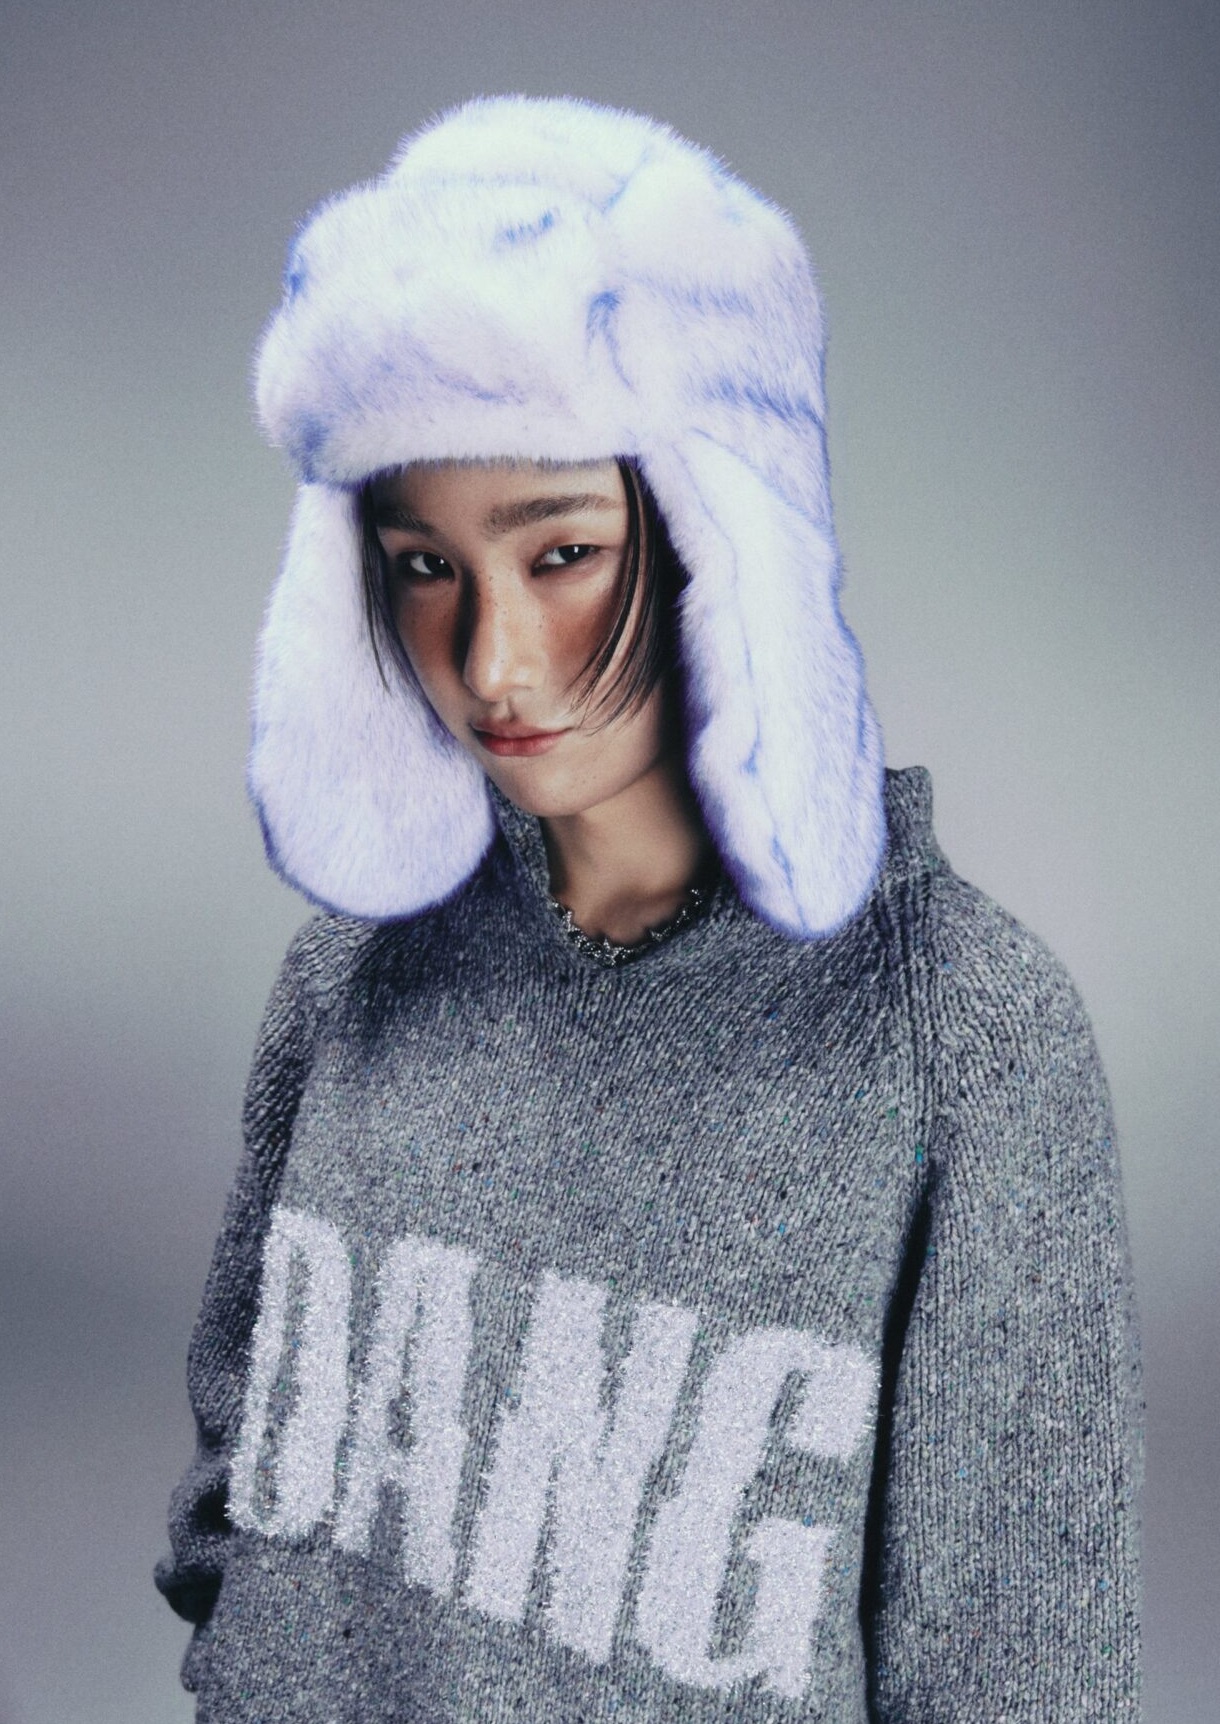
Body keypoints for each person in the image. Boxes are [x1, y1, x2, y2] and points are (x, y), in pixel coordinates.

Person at [155, 95, 1142, 1721]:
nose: (493, 663)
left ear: (717, 536)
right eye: (424, 565)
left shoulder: (966, 1041)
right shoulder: (349, 973)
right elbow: (235, 1491)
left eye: (561, 554)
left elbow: (1017, 1676)